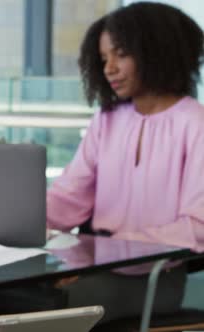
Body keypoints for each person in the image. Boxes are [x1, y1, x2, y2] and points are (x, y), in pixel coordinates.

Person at [46, 1, 204, 322]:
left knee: (44, 304)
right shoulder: (107, 120)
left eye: (120, 54)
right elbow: (68, 197)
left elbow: (197, 227)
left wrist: (106, 250)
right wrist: (19, 222)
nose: (109, 68)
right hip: (92, 264)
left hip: (156, 277)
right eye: (104, 58)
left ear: (156, 50)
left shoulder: (195, 123)